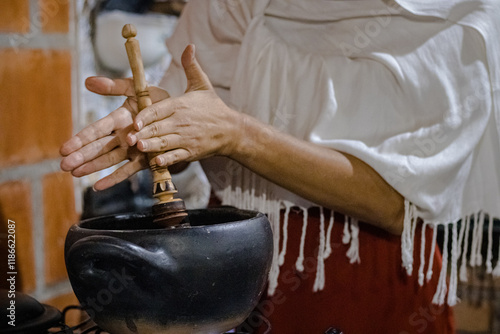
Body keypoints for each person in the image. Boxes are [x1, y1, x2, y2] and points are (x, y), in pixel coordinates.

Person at [60, 0, 500, 332]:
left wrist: (237, 134)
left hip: (365, 269)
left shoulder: (450, 13)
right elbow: (196, 111)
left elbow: (394, 202)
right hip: (228, 262)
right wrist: (161, 127)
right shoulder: (230, 6)